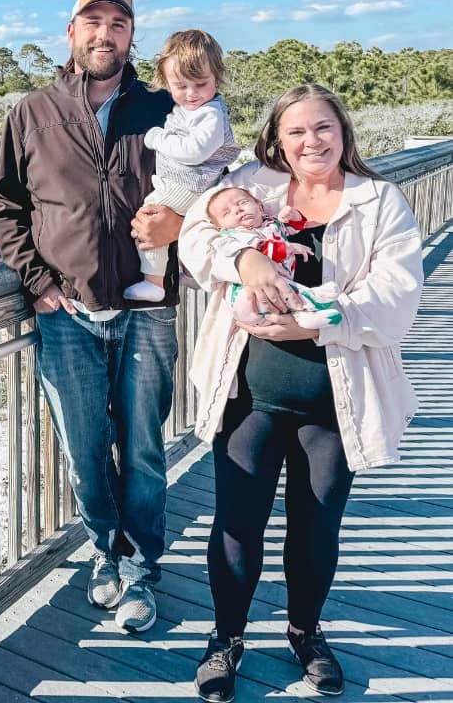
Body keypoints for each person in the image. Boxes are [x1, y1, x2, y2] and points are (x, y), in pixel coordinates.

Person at [178, 84, 423, 701]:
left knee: (316, 528)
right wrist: (247, 262)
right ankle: (226, 638)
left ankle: (305, 632)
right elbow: (194, 237)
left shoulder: (380, 201)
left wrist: (317, 318)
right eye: (296, 132)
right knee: (237, 524)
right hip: (250, 396)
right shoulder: (251, 186)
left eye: (322, 128)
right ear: (277, 141)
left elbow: (396, 298)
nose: (311, 141)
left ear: (343, 131)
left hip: (334, 402)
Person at [0, 0, 183, 633]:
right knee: (86, 450)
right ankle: (105, 553)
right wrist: (36, 280)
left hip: (146, 310)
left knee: (145, 452)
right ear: (70, 33)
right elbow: (5, 204)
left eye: (118, 24)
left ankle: (139, 572)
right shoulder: (32, 112)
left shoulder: (165, 107)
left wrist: (185, 224)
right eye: (91, 21)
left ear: (132, 36)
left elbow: (210, 185)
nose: (105, 33)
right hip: (66, 312)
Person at [123, 30, 240, 303]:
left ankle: (153, 281)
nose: (191, 94)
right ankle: (180, 269)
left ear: (216, 77)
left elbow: (194, 152)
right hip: (187, 181)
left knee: (151, 217)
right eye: (181, 86)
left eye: (200, 84)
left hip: (191, 183)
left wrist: (157, 138)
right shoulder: (195, 110)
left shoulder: (210, 114)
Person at [206, 186, 342, 329]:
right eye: (226, 213)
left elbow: (295, 228)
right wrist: (288, 248)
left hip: (274, 298)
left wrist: (294, 216)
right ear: (221, 227)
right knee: (284, 289)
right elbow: (258, 248)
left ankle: (305, 318)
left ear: (259, 206)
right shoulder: (233, 235)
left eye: (243, 203)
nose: (237, 210)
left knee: (284, 295)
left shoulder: (271, 224)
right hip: (246, 298)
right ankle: (313, 299)